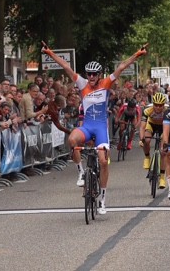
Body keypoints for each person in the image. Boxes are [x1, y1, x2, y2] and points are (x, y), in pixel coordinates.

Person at [41, 41, 148, 215]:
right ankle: (81, 173)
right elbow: (66, 66)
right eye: (89, 74)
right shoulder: (82, 84)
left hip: (100, 128)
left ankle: (103, 200)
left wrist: (137, 54)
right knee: (72, 140)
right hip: (87, 126)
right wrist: (49, 52)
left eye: (94, 74)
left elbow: (121, 67)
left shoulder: (105, 84)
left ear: (99, 75)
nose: (91, 77)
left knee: (104, 161)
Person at [139, 92, 167, 187]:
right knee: (146, 140)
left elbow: (169, 128)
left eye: (160, 105)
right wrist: (141, 139)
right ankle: (147, 157)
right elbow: (142, 127)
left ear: (163, 105)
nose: (158, 107)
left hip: (163, 127)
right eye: (156, 105)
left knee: (163, 151)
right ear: (153, 104)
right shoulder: (147, 110)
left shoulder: (167, 111)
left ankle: (162, 177)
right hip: (151, 125)